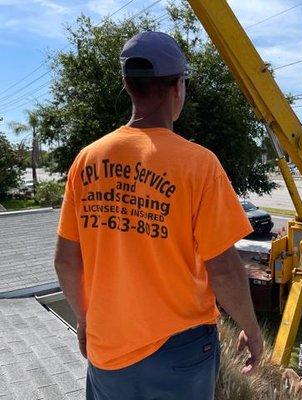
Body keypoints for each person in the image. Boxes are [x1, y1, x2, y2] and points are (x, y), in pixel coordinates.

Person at [54, 31, 263, 400]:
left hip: (108, 349)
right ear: (177, 88)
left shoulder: (86, 160)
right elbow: (224, 268)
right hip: (178, 350)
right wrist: (250, 326)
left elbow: (66, 261)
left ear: (126, 85)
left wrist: (85, 319)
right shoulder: (198, 164)